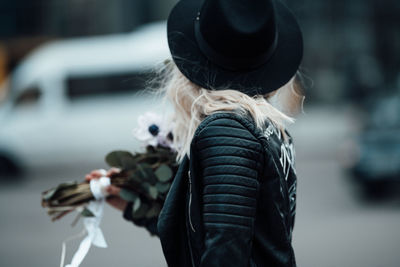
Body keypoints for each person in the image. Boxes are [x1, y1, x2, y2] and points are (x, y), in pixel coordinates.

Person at [86, 0, 305, 266]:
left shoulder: (226, 132)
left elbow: (225, 252)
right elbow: (213, 231)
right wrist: (136, 206)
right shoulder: (267, 128)